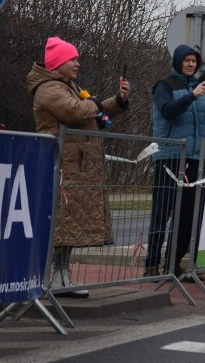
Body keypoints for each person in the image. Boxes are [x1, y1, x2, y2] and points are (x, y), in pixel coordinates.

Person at [26, 37, 130, 297]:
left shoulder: (67, 86)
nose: (77, 63)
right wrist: (94, 104)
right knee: (60, 225)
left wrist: (117, 101)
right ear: (58, 63)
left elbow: (90, 111)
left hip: (75, 167)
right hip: (62, 167)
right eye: (72, 59)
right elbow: (75, 111)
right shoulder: (50, 88)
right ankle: (48, 278)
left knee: (67, 226)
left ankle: (61, 278)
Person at [147, 44, 205, 282]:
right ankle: (151, 264)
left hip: (195, 159)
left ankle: (173, 263)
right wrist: (192, 96)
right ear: (178, 62)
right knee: (163, 212)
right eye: (187, 60)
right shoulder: (165, 86)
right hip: (170, 156)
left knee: (189, 215)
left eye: (194, 61)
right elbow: (168, 111)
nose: (191, 64)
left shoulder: (201, 88)